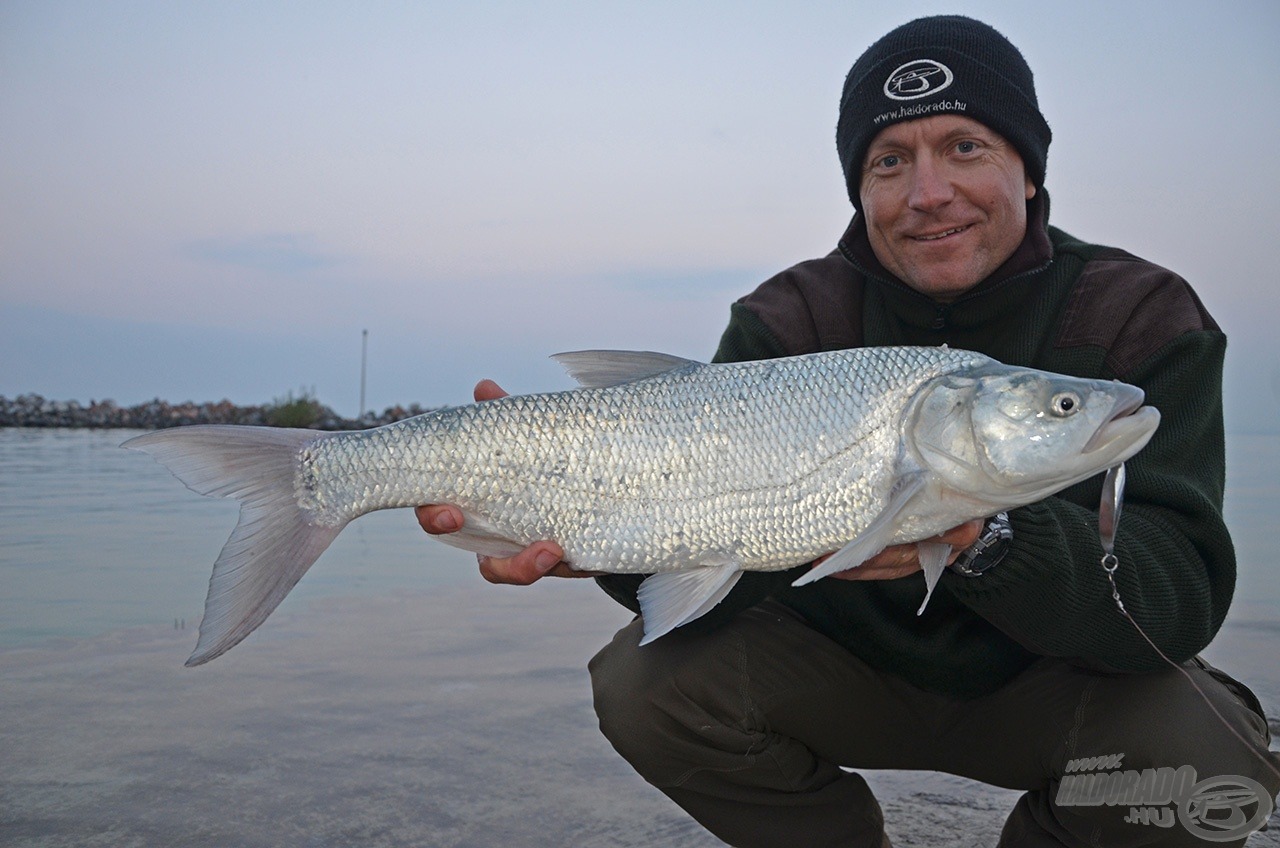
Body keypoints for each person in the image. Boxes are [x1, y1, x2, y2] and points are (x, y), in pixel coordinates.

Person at [417, 16, 1280, 847]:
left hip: (1049, 684)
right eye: (889, 160)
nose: (927, 192)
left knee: (1212, 762)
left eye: (966, 146)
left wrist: (990, 539)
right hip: (837, 670)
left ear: (1028, 169)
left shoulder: (1140, 315)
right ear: (860, 187)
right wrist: (597, 542)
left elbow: (1178, 601)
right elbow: (711, 565)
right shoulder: (786, 318)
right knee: (644, 683)